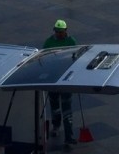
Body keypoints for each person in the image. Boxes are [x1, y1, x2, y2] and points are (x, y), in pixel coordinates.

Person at [43, 19, 78, 147]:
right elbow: (44, 58)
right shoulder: (49, 42)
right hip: (53, 79)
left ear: (66, 31)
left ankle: (69, 136)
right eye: (56, 31)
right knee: (55, 107)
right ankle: (56, 126)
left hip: (66, 80)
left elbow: (75, 58)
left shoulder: (71, 41)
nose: (58, 34)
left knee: (67, 109)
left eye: (60, 31)